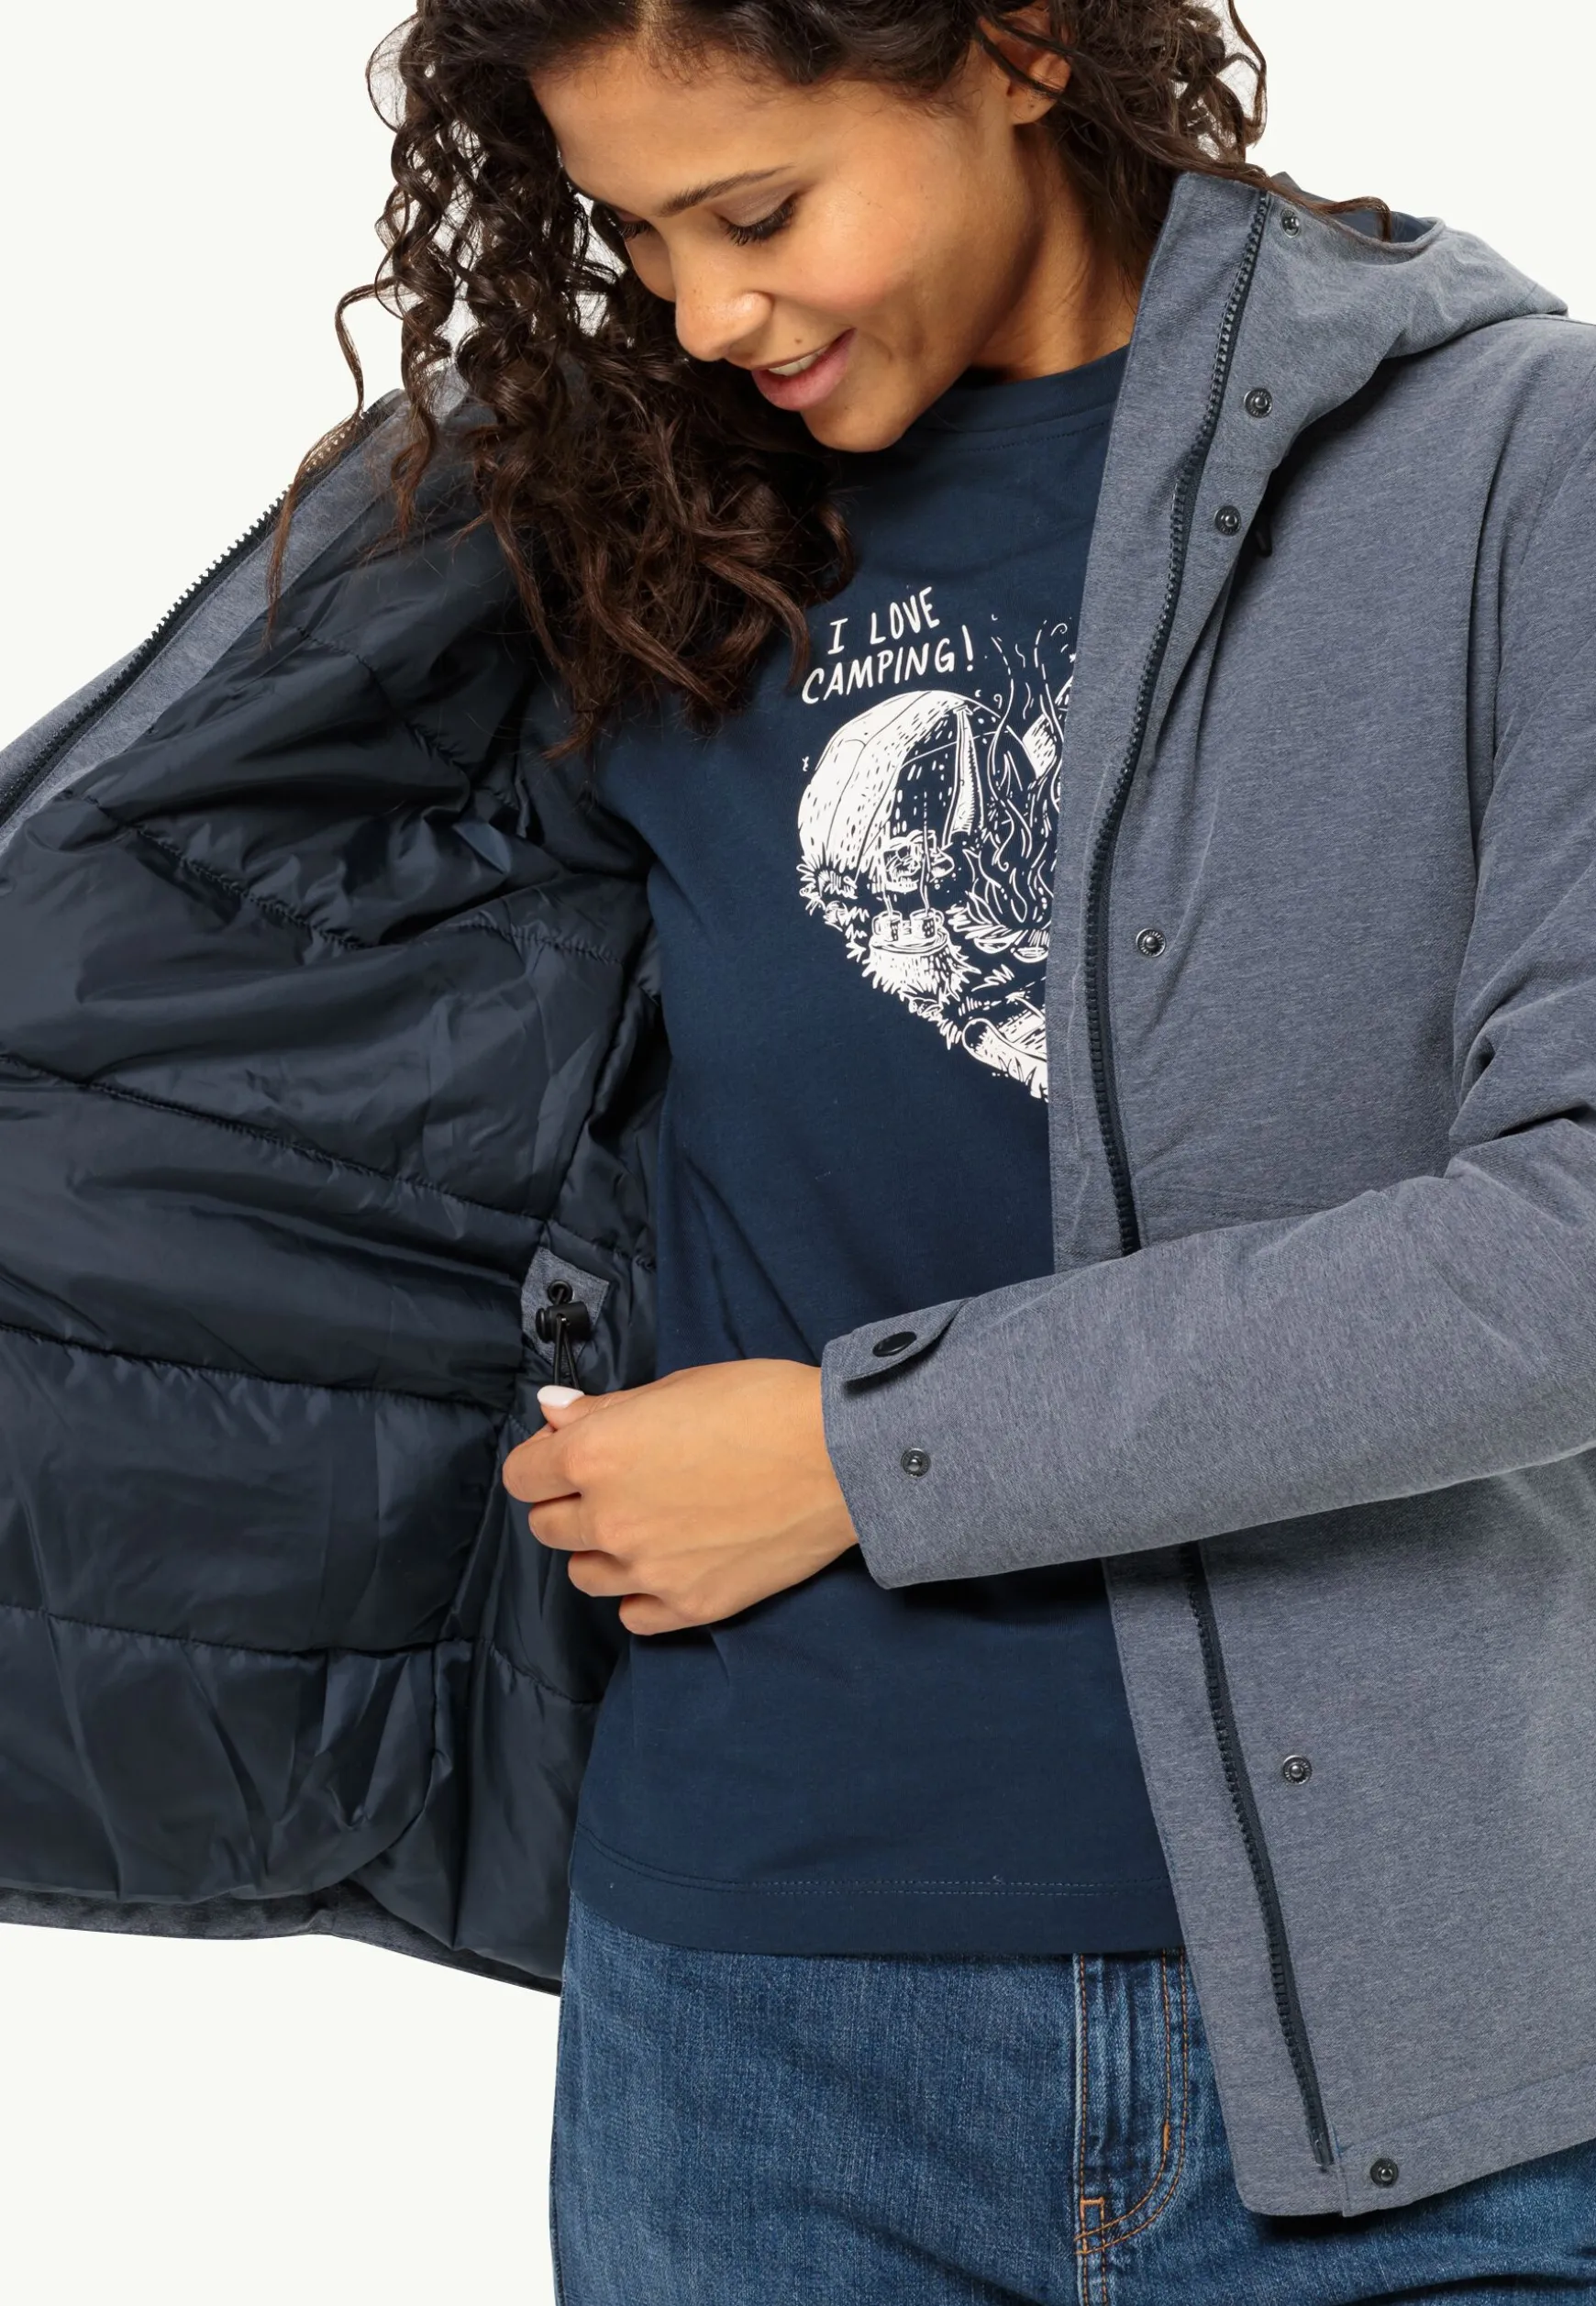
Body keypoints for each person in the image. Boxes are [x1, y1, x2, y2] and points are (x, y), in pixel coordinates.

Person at [2, 0, 1596, 2297]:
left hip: (1430, 2054)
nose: (702, 311)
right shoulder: (622, 519)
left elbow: (1559, 1254)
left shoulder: (1511, 469)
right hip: (755, 2039)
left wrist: (864, 1456)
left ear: (1022, 48)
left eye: (756, 211)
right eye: (637, 236)